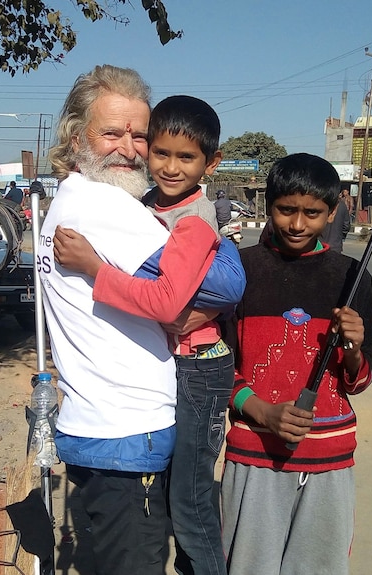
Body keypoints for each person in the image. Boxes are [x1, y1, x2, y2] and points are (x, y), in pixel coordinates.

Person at [53, 94, 242, 575]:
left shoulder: (194, 220)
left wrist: (95, 268)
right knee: (174, 493)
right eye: (159, 151)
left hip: (200, 368)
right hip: (179, 362)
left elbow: (175, 299)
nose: (167, 166)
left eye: (186, 158)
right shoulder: (140, 202)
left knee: (190, 498)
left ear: (210, 164)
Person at [37, 65, 175, 575]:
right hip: (127, 431)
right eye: (112, 132)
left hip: (98, 429)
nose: (130, 147)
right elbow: (215, 283)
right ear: (77, 138)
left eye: (140, 135)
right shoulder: (105, 205)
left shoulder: (72, 200)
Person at [221, 153, 372, 575]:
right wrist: (262, 411)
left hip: (330, 457)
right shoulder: (239, 270)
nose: (297, 224)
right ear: (268, 206)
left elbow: (359, 381)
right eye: (286, 210)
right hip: (255, 453)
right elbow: (218, 366)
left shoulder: (352, 277)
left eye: (312, 213)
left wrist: (353, 348)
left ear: (332, 212)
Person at [320, 186, 352, 253]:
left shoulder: (321, 204)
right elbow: (346, 226)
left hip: (321, 244)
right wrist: (340, 237)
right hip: (336, 245)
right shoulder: (342, 205)